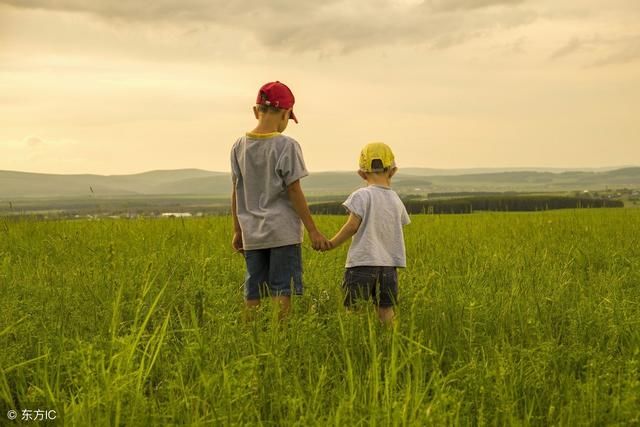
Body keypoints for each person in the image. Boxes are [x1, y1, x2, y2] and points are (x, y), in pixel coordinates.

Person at [230, 81, 330, 317]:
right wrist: (313, 231)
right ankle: (279, 337)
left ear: (256, 111)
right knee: (281, 290)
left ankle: (251, 336)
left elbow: (236, 190)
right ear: (286, 114)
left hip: (252, 234)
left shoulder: (238, 147)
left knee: (253, 292)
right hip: (283, 234)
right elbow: (294, 191)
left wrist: (237, 230)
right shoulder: (287, 146)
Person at [328, 142, 410, 325]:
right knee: (386, 309)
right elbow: (399, 224)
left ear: (361, 173)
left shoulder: (361, 195)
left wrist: (332, 243)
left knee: (354, 309)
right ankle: (391, 343)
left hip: (362, 264)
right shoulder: (396, 199)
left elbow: (351, 226)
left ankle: (354, 343)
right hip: (389, 267)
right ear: (393, 171)